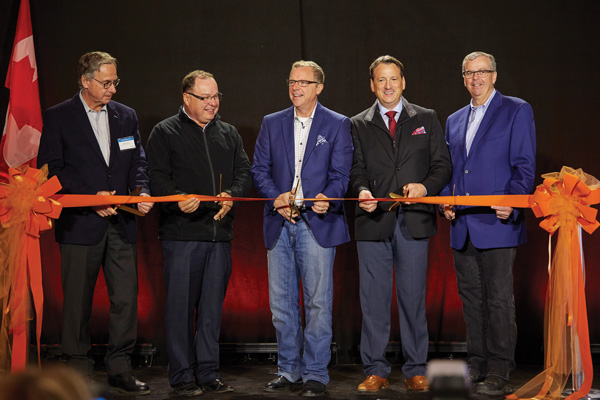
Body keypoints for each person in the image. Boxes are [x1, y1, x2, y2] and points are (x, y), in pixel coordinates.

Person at [37, 51, 152, 394]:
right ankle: (77, 372)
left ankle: (120, 368)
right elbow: (51, 169)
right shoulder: (59, 117)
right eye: (106, 82)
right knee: (77, 302)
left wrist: (141, 191)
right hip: (80, 224)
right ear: (85, 81)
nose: (113, 89)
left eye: (115, 81)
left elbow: (138, 161)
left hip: (121, 224)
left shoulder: (126, 116)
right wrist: (92, 196)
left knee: (126, 299)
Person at [145, 70, 251, 397]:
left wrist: (231, 195)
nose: (212, 103)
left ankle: (208, 372)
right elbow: (157, 178)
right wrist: (177, 199)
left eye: (216, 96)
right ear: (186, 98)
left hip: (219, 236)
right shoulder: (165, 132)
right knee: (180, 310)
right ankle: (182, 376)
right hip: (182, 236)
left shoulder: (229, 133)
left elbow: (244, 173)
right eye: (205, 97)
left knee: (210, 312)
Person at [350, 55, 452, 393]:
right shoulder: (357, 124)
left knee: (412, 298)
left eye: (393, 79)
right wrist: (362, 190)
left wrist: (424, 188)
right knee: (374, 300)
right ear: (372, 85)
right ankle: (375, 370)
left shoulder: (426, 117)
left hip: (414, 221)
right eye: (381, 80)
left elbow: (442, 166)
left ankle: (415, 369)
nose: (388, 85)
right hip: (373, 221)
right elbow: (355, 171)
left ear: (403, 82)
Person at [251, 60, 353, 397]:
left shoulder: (337, 124)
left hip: (317, 223)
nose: (296, 88)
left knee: (318, 305)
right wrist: (275, 197)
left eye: (304, 82)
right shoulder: (271, 123)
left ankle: (315, 374)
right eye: (292, 81)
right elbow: (259, 171)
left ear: (319, 87)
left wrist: (330, 197)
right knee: (281, 305)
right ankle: (289, 370)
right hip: (279, 222)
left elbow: (341, 176)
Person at [441, 51, 536, 396]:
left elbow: (525, 164)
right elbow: (450, 170)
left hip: (498, 222)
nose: (475, 78)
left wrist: (512, 201)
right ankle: (476, 363)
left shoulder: (516, 110)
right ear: (463, 78)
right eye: (469, 73)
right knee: (471, 298)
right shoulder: (453, 119)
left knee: (498, 299)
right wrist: (445, 202)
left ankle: (499, 369)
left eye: (482, 72)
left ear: (494, 75)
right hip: (462, 224)